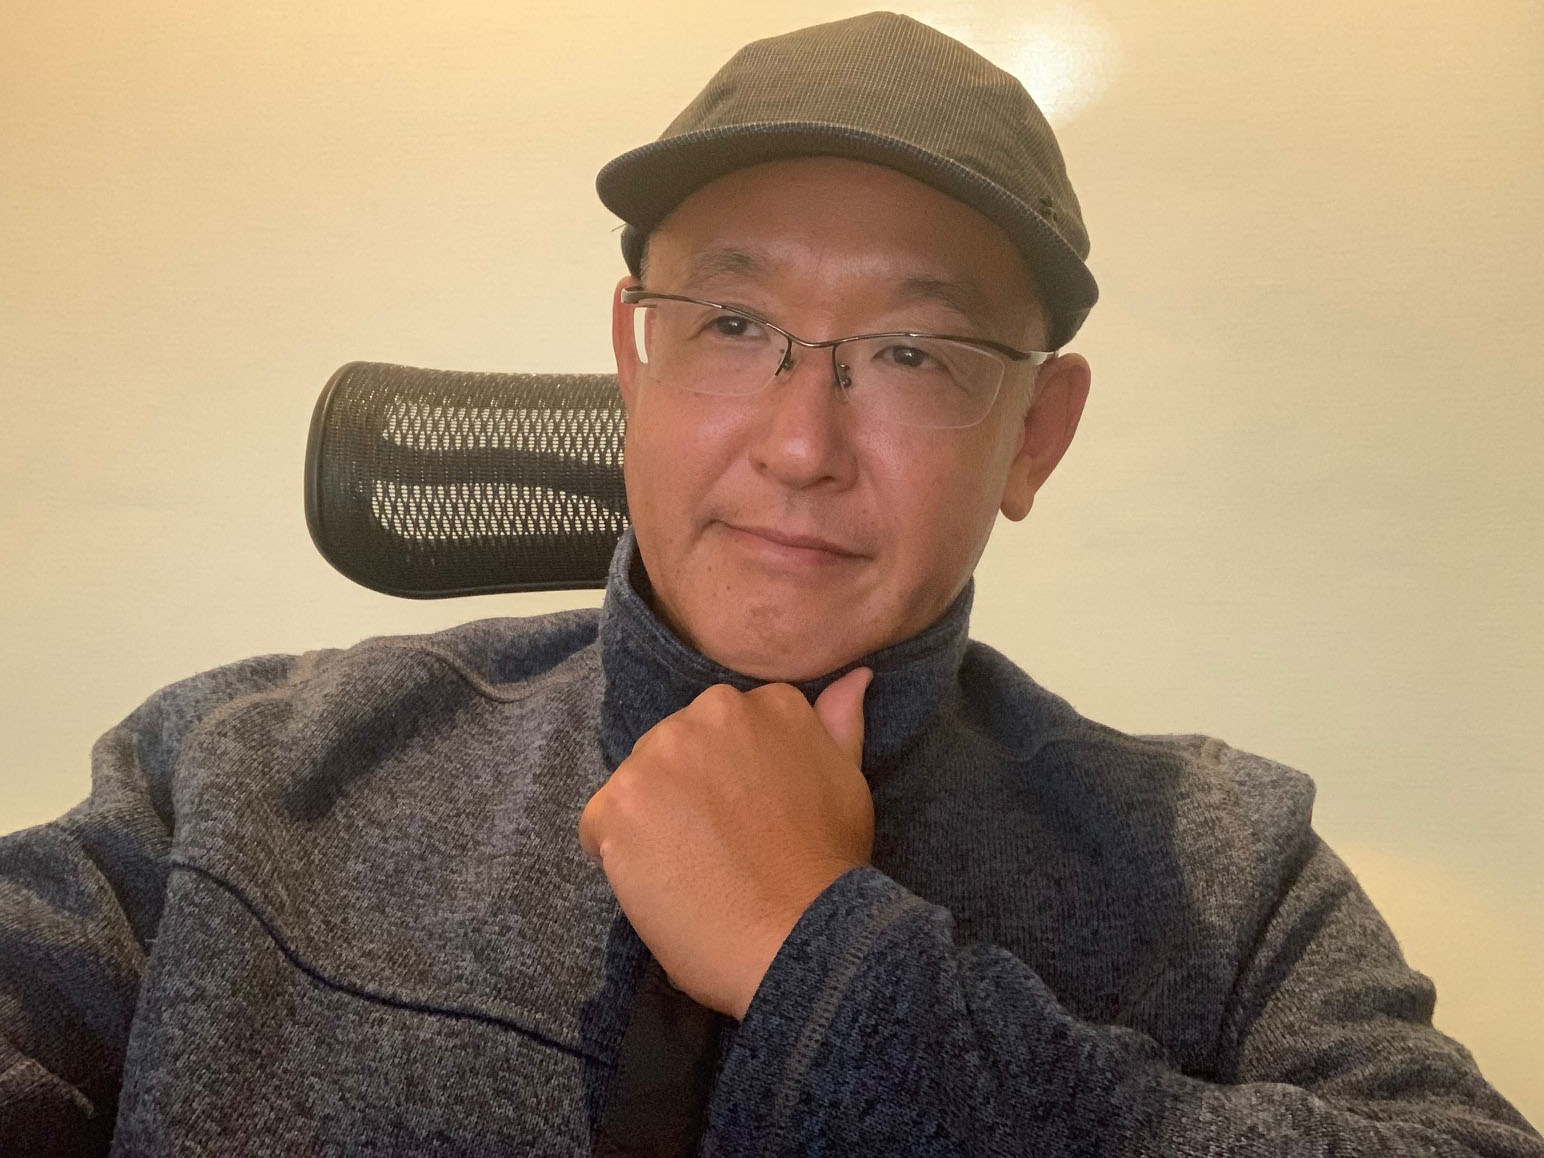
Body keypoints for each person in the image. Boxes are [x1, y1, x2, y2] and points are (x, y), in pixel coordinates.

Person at [0, 11, 1538, 1156]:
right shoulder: (242, 777)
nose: (801, 444)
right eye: (734, 324)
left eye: (912, 352)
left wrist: (831, 962)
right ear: (634, 357)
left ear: (1036, 435)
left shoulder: (1226, 873)